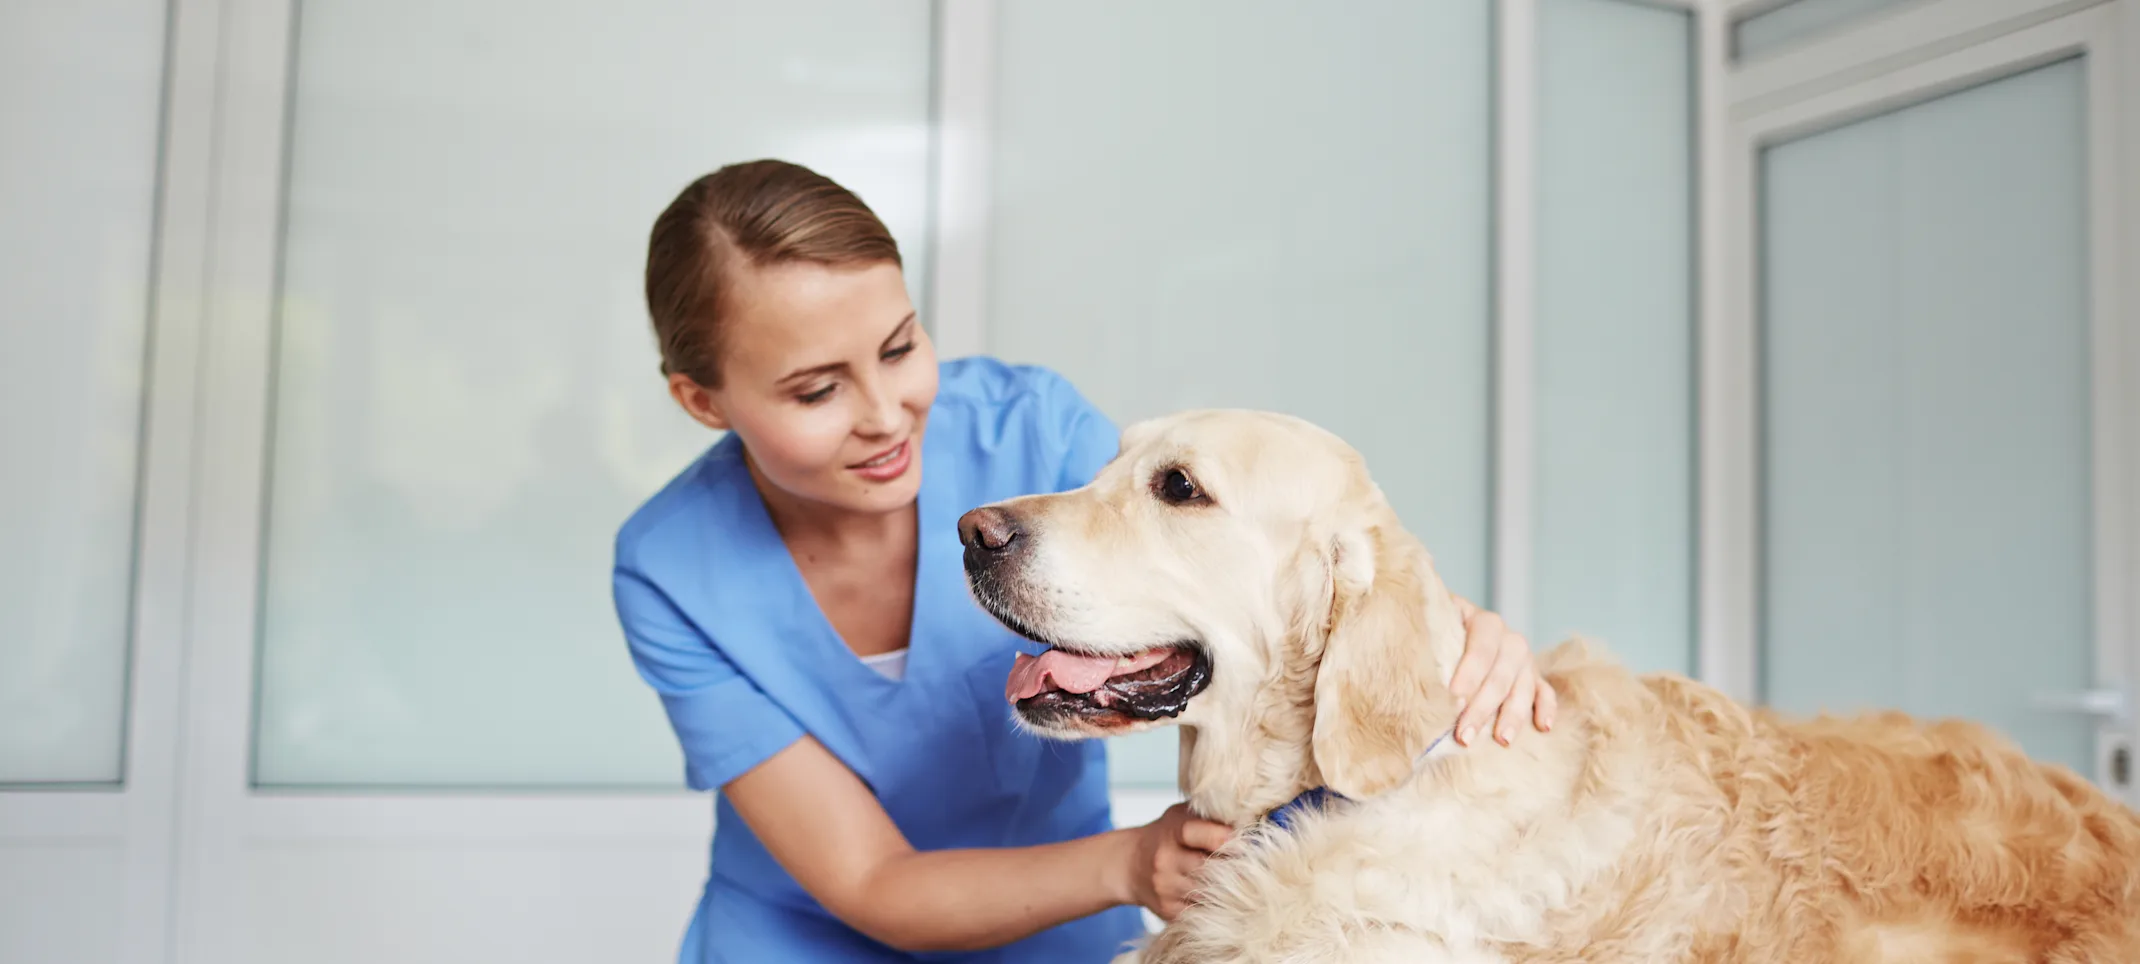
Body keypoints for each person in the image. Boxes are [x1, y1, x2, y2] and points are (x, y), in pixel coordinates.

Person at [612, 158, 1558, 963]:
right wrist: (1129, 864)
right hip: (805, 937)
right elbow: (872, 879)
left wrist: (1461, 637)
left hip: (1053, 931)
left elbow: (1243, 567)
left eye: (900, 348)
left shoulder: (1030, 430)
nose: (886, 412)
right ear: (704, 401)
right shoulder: (670, 569)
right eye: (817, 390)